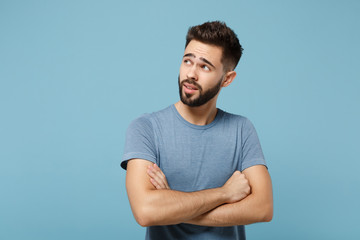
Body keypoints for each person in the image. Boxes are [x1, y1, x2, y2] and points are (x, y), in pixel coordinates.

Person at [121, 21, 273, 240]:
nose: (191, 73)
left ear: (227, 79)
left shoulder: (242, 129)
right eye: (187, 61)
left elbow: (263, 208)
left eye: (204, 66)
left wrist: (172, 206)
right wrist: (224, 194)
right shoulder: (146, 128)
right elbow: (146, 212)